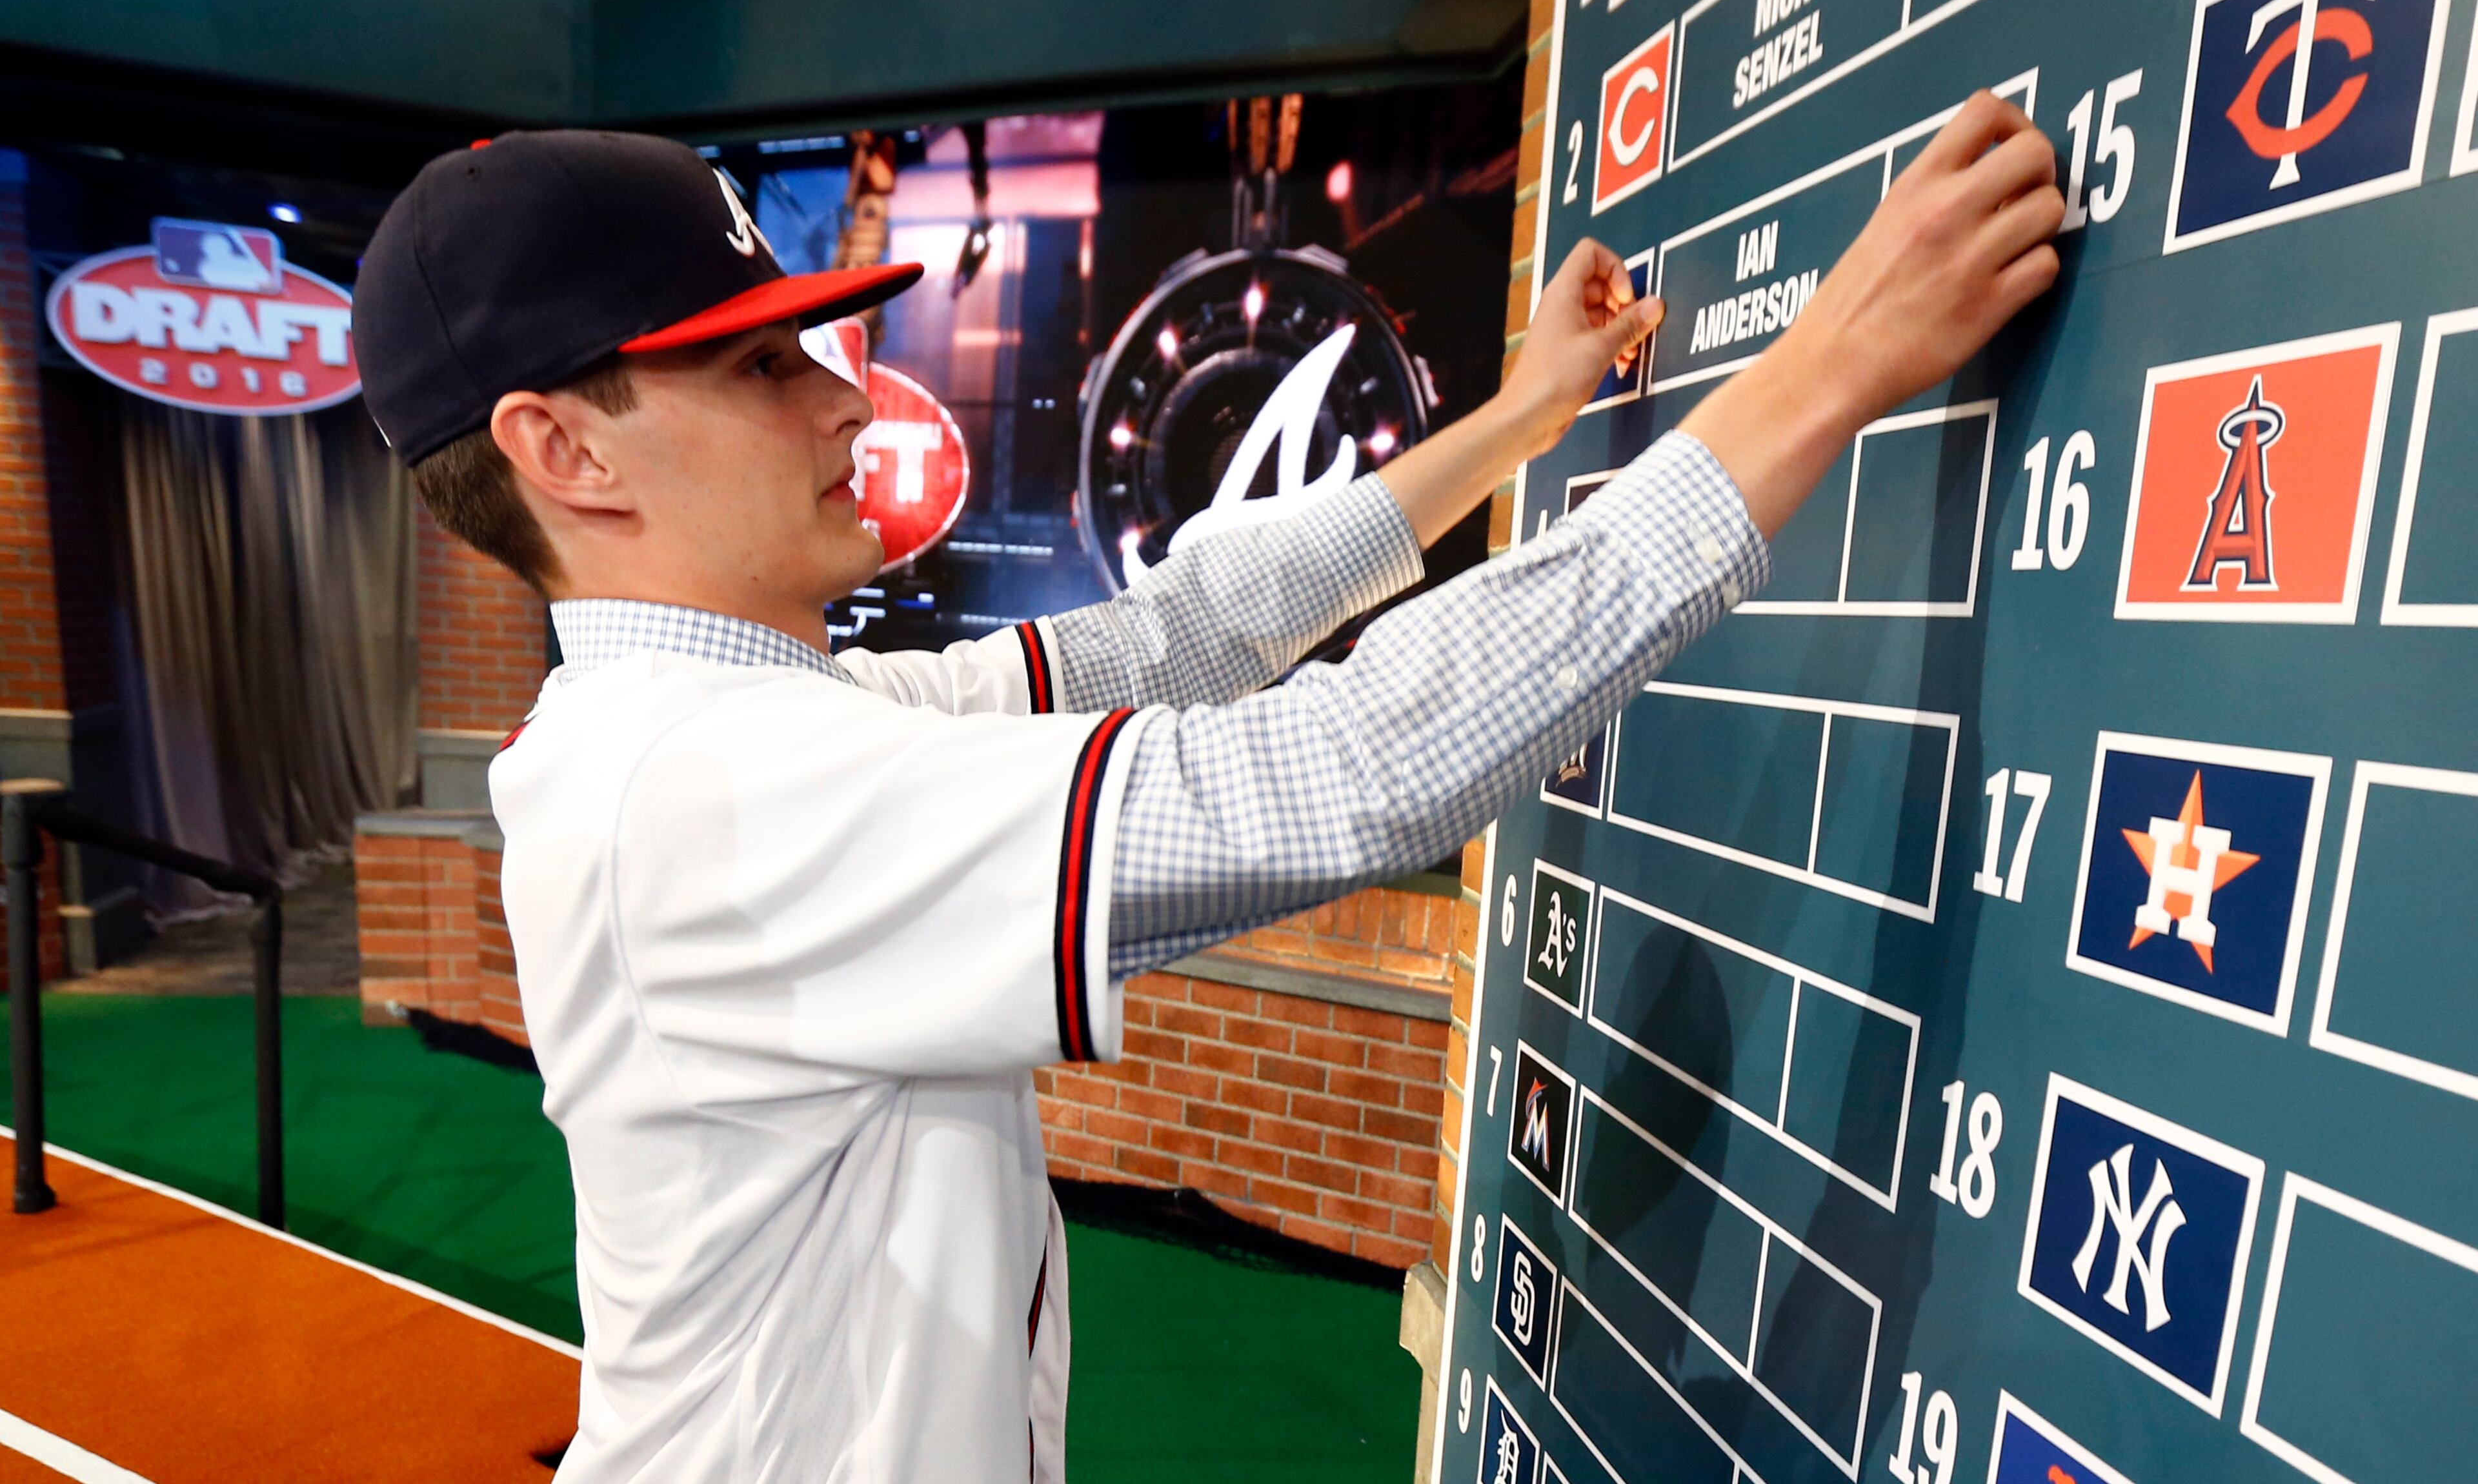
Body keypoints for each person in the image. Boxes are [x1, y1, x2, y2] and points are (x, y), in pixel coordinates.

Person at [352, 94, 2060, 1483]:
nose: (835, 394)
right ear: (562, 454)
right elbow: (1360, 767)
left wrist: (1523, 418)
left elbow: (1179, 634)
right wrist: (1830, 366)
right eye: (755, 365)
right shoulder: (714, 792)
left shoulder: (744, 724)